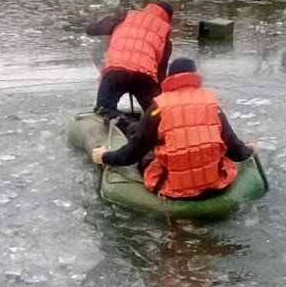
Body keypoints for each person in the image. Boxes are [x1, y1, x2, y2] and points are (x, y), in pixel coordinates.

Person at [92, 58, 258, 199]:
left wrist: (106, 157)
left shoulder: (159, 108)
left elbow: (133, 153)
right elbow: (234, 149)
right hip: (214, 185)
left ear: (170, 78)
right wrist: (250, 149)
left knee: (147, 156)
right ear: (195, 77)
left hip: (173, 189)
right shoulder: (212, 105)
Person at [86, 1, 174, 123]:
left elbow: (93, 30)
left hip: (115, 71)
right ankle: (147, 130)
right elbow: (161, 73)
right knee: (156, 114)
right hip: (144, 77)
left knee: (103, 109)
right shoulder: (164, 34)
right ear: (168, 18)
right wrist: (157, 98)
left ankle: (120, 121)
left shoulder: (126, 16)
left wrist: (91, 27)